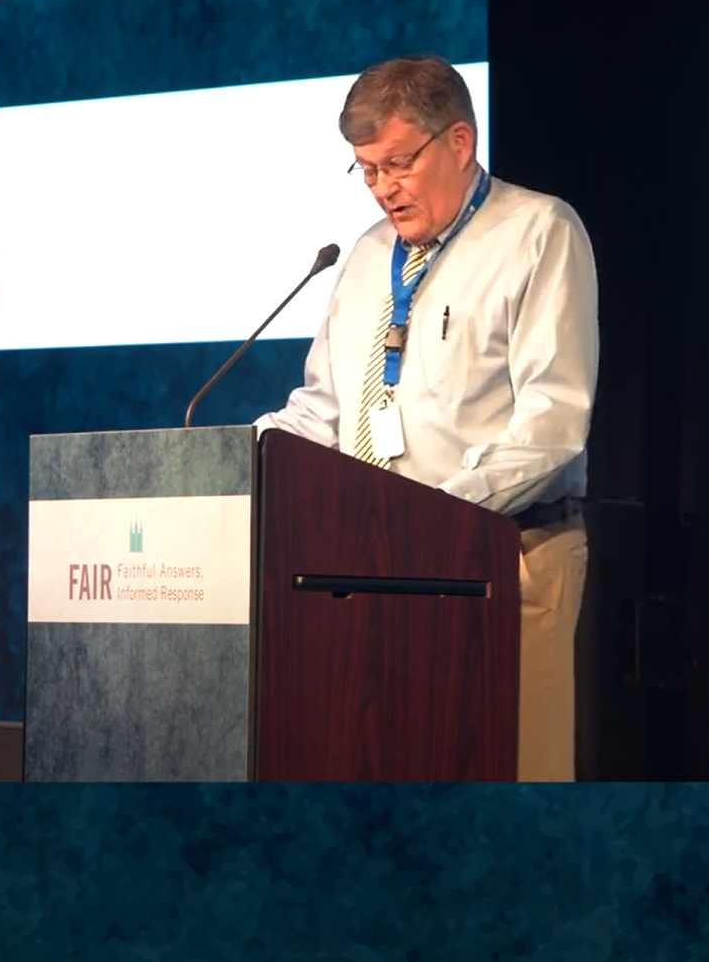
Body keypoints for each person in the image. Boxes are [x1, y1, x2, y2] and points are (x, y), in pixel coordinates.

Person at [254, 54, 599, 782]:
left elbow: (551, 425)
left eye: (397, 164)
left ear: (459, 142)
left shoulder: (538, 232)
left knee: (512, 782)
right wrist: (235, 457)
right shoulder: (364, 256)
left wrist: (429, 521)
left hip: (506, 563)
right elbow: (323, 412)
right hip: (374, 573)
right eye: (365, 170)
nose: (382, 187)